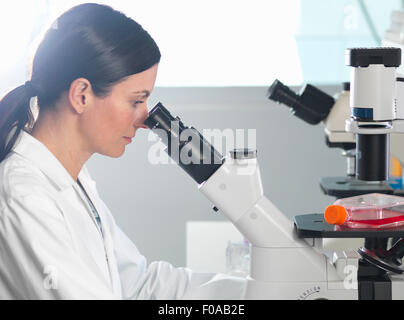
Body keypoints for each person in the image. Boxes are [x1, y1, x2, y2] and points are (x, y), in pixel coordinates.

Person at [0, 3, 246, 299]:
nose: (144, 119)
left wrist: (257, 293)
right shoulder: (24, 195)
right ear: (81, 95)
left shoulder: (71, 180)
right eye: (136, 101)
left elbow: (138, 285)